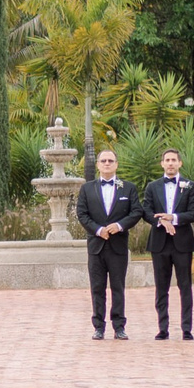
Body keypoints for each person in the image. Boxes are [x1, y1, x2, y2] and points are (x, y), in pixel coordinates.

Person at [73, 144, 143, 340]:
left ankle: (119, 327)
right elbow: (82, 213)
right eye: (103, 161)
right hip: (96, 247)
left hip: (118, 246)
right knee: (97, 288)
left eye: (110, 161)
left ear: (116, 164)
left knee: (118, 288)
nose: (106, 163)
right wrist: (98, 230)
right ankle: (98, 327)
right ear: (97, 164)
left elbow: (136, 211)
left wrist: (119, 226)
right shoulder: (87, 188)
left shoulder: (128, 188)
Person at [143, 147, 194, 341]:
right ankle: (163, 328)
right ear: (162, 164)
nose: (170, 163)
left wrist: (173, 218)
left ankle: (186, 329)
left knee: (185, 286)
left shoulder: (190, 186)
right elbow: (146, 211)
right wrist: (161, 221)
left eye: (174, 160)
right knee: (161, 288)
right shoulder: (152, 186)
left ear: (180, 163)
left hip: (182, 243)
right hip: (159, 243)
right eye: (167, 160)